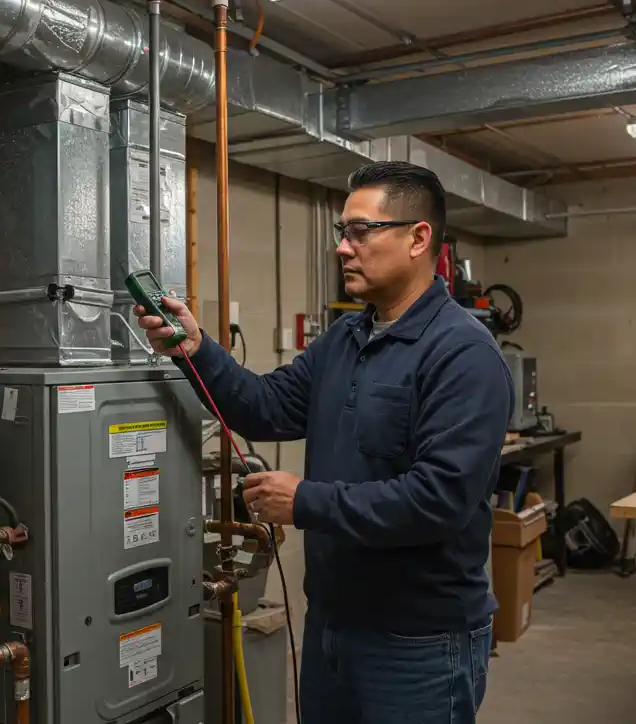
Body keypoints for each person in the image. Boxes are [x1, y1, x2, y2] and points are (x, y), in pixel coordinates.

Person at [136, 161, 513, 723]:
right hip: (333, 625)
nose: (343, 247)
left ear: (418, 238)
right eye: (342, 232)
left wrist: (305, 500)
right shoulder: (346, 337)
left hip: (420, 643)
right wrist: (198, 350)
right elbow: (265, 407)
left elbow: (437, 500)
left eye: (361, 231)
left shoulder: (463, 353)